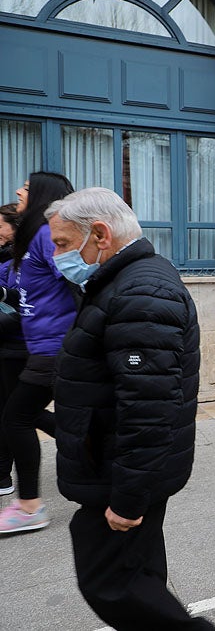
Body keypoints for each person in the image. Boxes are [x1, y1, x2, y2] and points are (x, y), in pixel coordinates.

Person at [47, 188, 215, 630]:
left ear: (99, 234)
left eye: (63, 243)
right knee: (138, 573)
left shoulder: (141, 291)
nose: (58, 255)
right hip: (114, 462)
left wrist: (127, 498)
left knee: (111, 581)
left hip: (117, 471)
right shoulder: (124, 281)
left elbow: (149, 409)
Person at [0, 172, 76, 535]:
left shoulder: (48, 236)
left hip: (55, 347)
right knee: (23, 415)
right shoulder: (32, 239)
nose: (18, 191)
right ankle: (100, 449)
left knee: (15, 417)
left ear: (44, 196)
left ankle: (29, 506)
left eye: (27, 188)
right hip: (40, 347)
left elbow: (82, 281)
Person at [0, 203, 26, 497]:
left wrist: (4, 293)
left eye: (0, 227)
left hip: (18, 346)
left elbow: (20, 304)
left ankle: (88, 443)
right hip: (7, 346)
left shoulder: (22, 262)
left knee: (18, 413)